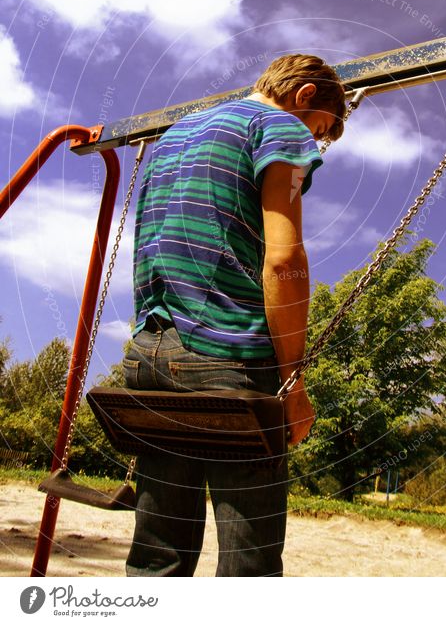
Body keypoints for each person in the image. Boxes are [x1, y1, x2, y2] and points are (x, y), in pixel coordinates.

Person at [123, 54, 346, 576]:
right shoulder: (279, 126)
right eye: (321, 132)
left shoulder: (174, 135)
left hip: (151, 351)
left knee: (159, 557)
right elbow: (284, 257)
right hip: (229, 360)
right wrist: (293, 380)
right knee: (250, 568)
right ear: (306, 96)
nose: (316, 143)